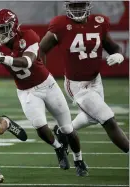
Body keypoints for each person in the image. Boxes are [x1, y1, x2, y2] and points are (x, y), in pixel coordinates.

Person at [0, 8, 88, 176]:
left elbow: (26, 62)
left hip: (47, 85)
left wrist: (3, 58)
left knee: (68, 128)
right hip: (26, 91)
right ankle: (58, 148)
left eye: (3, 29)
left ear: (13, 26)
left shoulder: (29, 36)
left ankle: (79, 159)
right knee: (40, 127)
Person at [39, 0, 129, 154]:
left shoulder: (98, 22)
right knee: (108, 119)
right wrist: (43, 76)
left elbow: (113, 46)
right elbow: (41, 49)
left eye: (80, 5)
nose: (78, 9)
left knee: (93, 117)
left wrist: (118, 55)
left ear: (88, 5)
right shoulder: (60, 25)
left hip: (96, 80)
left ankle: (64, 131)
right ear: (67, 7)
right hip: (77, 85)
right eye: (74, 6)